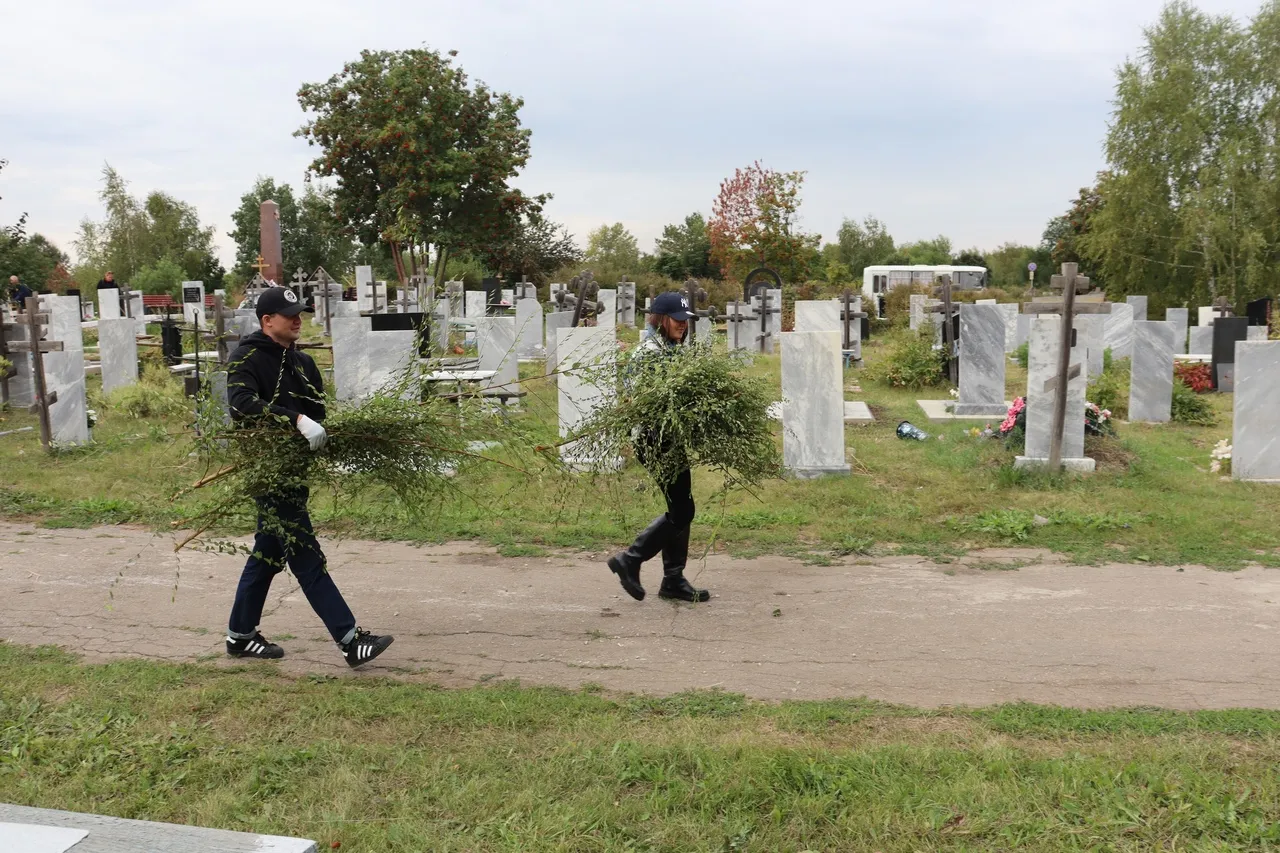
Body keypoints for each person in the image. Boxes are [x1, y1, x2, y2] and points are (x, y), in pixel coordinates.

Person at [224, 285, 394, 667]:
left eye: (300, 313)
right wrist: (295, 419)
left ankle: (240, 636)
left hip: (295, 472)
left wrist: (336, 434)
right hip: (268, 474)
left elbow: (320, 413)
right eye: (290, 315)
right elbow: (242, 405)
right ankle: (350, 640)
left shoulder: (304, 363)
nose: (299, 320)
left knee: (268, 554)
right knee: (305, 555)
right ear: (267, 321)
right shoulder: (246, 358)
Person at [606, 291, 711, 604]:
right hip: (655, 437)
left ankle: (672, 579)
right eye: (677, 320)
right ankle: (631, 560)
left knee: (681, 507)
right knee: (683, 509)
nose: (683, 325)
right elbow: (657, 401)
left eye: (685, 321)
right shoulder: (651, 352)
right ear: (662, 319)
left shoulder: (669, 346)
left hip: (667, 435)